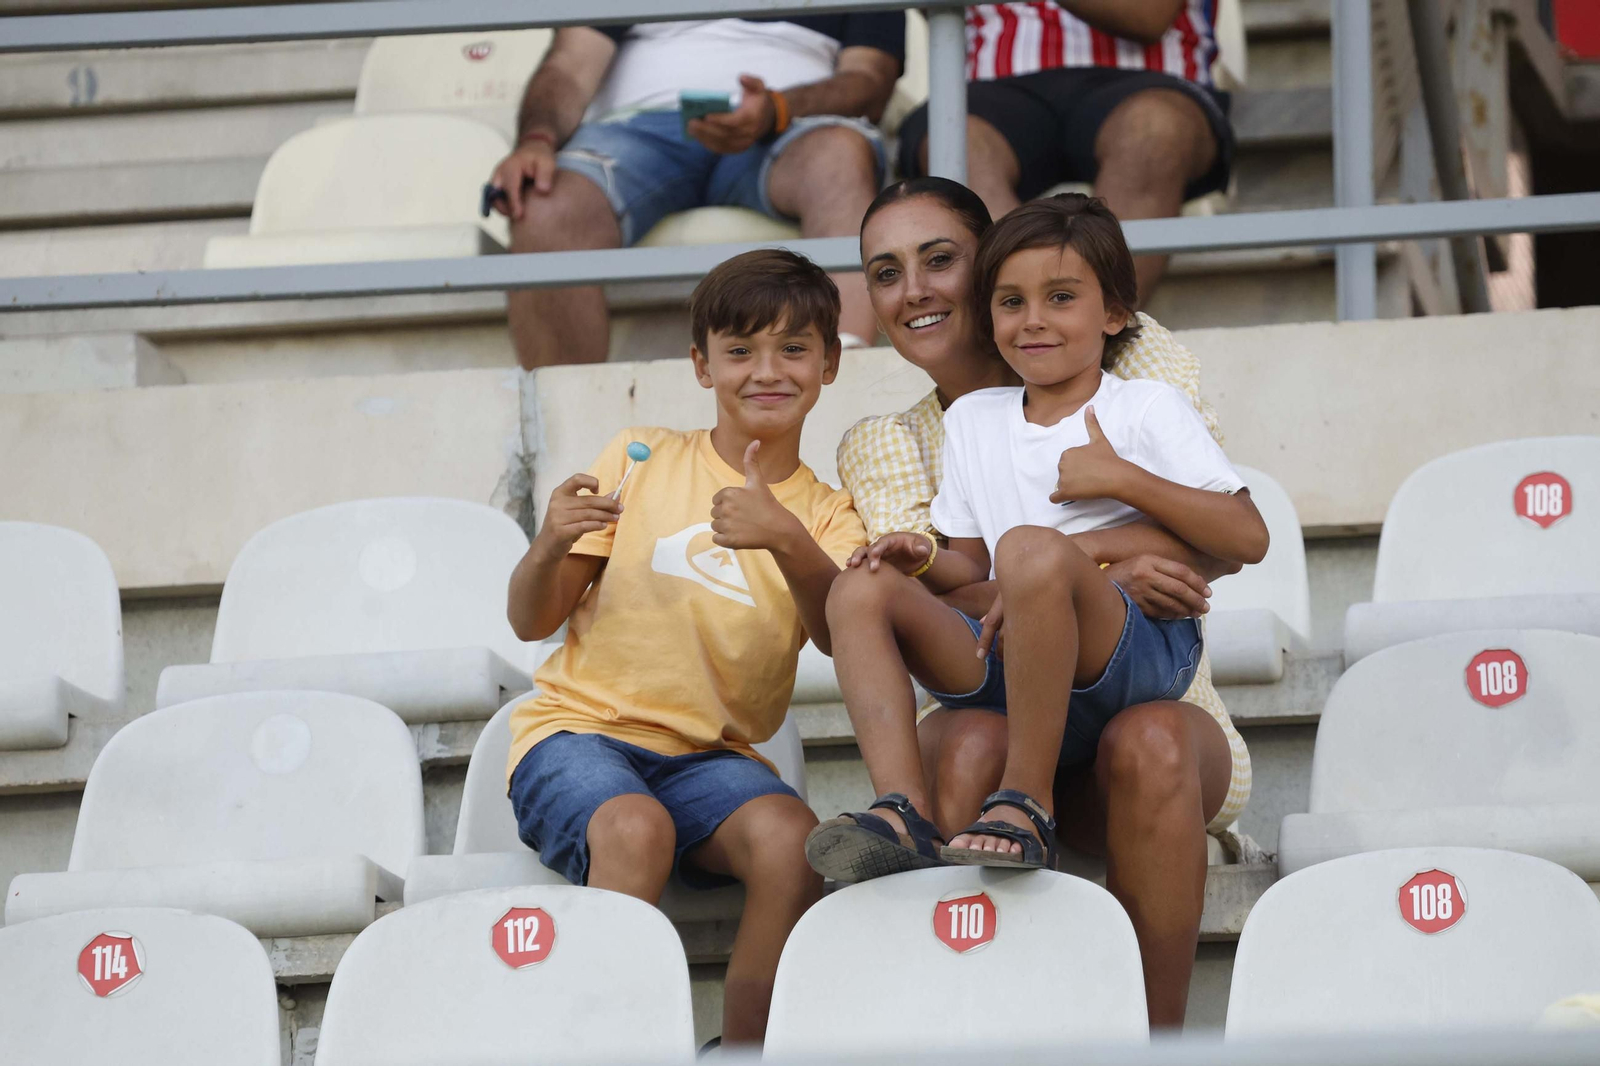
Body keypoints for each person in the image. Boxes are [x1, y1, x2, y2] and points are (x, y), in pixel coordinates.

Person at [816, 178, 1255, 1027]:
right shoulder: (941, 430)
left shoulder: (1132, 372)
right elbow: (978, 579)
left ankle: (1154, 1036)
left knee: (1151, 736)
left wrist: (1074, 563)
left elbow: (1227, 537)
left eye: (940, 259)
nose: (915, 291)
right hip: (1003, 678)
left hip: (1141, 681)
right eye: (885, 273)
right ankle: (954, 994)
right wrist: (939, 561)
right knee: (921, 654)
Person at [503, 249, 867, 1045]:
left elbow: (845, 641)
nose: (766, 371)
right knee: (635, 830)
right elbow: (534, 619)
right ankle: (602, 1047)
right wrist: (546, 546)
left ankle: (743, 1051)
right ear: (702, 365)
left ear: (831, 363)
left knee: (792, 846)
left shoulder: (833, 514)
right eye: (739, 351)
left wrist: (788, 540)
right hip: (579, 734)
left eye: (794, 349)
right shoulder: (643, 457)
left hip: (709, 760)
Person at [486, 16, 904, 368]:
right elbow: (568, 66)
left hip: (795, 125)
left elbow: (870, 81)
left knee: (840, 158)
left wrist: (777, 109)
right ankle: (568, 436)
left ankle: (845, 385)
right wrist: (536, 141)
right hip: (635, 129)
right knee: (543, 203)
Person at [897, 2, 1235, 303]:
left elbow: (1149, 15)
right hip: (997, 86)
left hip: (1151, 82)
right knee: (956, 139)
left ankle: (1102, 328)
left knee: (1153, 130)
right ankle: (1032, 315)